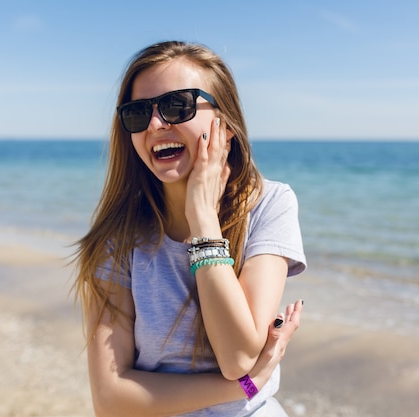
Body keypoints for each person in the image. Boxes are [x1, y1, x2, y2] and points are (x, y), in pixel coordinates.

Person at [74, 40, 307, 417]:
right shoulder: (119, 236)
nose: (154, 125)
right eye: (137, 113)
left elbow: (238, 356)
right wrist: (243, 387)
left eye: (176, 105)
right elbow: (110, 401)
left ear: (225, 123)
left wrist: (203, 217)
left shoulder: (270, 204)